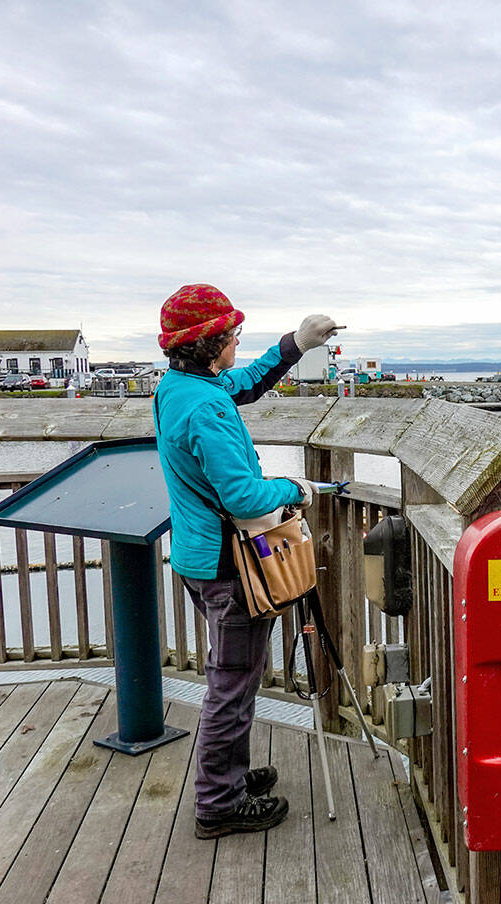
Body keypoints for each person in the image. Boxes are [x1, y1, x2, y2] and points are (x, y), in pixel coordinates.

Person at [152, 284, 338, 839]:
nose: (237, 342)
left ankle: (228, 776)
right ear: (212, 344)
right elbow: (243, 496)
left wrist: (295, 345)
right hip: (229, 569)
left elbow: (241, 385)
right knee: (232, 684)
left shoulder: (178, 387)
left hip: (196, 555)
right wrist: (296, 488)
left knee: (233, 676)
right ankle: (218, 804)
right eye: (232, 335)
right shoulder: (206, 407)